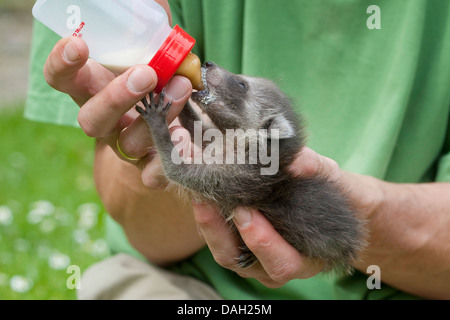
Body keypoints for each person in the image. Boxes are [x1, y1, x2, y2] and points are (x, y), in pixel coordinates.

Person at [26, 0, 450, 299]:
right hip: (183, 286)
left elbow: (185, 171)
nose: (215, 71)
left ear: (265, 132)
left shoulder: (246, 170)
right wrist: (165, 120)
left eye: (240, 87)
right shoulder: (251, 155)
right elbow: (157, 195)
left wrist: (158, 123)